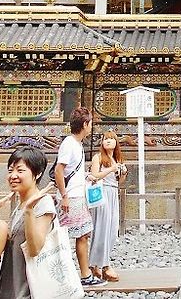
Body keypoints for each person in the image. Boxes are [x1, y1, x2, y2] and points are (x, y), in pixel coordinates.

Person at [0, 146, 57, 299]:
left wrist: (29, 210)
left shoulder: (43, 203)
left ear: (37, 174)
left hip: (29, 290)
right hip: (11, 285)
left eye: (20, 170)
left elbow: (35, 248)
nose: (13, 176)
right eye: (10, 171)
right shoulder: (19, 205)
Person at [55, 107, 104, 287]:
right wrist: (64, 196)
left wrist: (86, 178)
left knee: (82, 234)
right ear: (85, 124)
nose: (91, 127)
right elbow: (58, 170)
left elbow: (69, 171)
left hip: (77, 194)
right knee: (78, 236)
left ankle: (83, 274)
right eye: (90, 123)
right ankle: (83, 276)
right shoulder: (69, 144)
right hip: (72, 197)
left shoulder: (76, 144)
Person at [89, 131, 128, 283]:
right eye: (106, 139)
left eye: (112, 139)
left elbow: (119, 181)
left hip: (113, 193)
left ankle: (99, 263)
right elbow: (94, 176)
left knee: (112, 229)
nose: (108, 141)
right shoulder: (98, 158)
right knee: (101, 229)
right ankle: (102, 265)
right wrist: (111, 169)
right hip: (102, 192)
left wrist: (123, 172)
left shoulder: (116, 159)